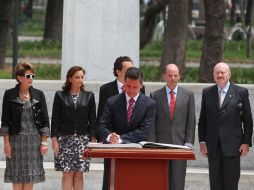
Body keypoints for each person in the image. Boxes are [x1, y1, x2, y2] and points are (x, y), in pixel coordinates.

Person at [98, 67, 156, 189]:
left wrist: (120, 139)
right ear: (124, 83)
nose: (131, 90)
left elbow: (144, 131)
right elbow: (102, 124)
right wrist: (110, 136)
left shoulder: (150, 104)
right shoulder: (112, 102)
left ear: (141, 85)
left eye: (135, 87)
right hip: (114, 156)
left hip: (137, 156)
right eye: (128, 86)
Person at [198, 62, 253, 190]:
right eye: (217, 72)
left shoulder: (241, 92)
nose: (220, 75)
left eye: (223, 72)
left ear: (229, 74)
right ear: (213, 75)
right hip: (213, 147)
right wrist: (202, 141)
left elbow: (248, 120)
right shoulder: (207, 93)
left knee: (231, 184)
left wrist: (246, 142)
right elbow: (203, 120)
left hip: (233, 146)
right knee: (215, 184)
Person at [0, 62, 50, 190]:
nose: (31, 78)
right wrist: (6, 144)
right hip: (16, 142)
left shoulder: (39, 94)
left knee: (29, 179)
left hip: (34, 142)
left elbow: (45, 120)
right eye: (28, 76)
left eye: (33, 75)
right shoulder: (9, 94)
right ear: (19, 77)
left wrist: (44, 143)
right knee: (17, 179)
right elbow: (5, 121)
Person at [150, 64, 196, 190]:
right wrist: (152, 144)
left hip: (180, 145)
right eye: (170, 75)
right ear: (164, 76)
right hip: (161, 145)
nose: (173, 78)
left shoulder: (188, 95)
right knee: (161, 179)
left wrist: (189, 143)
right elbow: (152, 122)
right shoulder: (155, 96)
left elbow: (191, 120)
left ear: (179, 76)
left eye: (175, 75)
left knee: (178, 181)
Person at [51, 66, 96, 190]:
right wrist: (54, 139)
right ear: (70, 79)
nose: (80, 80)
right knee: (67, 173)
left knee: (79, 174)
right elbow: (55, 119)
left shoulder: (89, 96)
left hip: (83, 141)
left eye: (82, 77)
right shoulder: (60, 96)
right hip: (65, 140)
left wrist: (93, 139)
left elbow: (92, 119)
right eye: (77, 77)